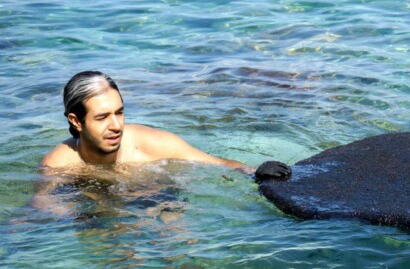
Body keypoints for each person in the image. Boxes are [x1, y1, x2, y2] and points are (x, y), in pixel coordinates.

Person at [41, 71, 290, 181]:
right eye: (102, 117)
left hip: (157, 197)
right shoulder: (59, 165)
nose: (116, 125)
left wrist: (254, 171)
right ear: (76, 121)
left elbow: (215, 163)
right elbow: (44, 207)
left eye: (120, 112)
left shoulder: (153, 144)